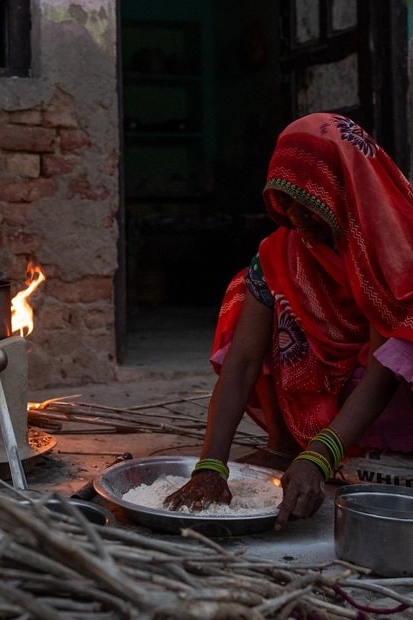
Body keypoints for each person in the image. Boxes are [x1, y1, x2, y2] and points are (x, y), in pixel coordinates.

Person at [163, 112, 413, 530]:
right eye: (286, 197)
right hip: (333, 389)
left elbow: (385, 368)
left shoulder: (395, 244)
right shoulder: (285, 252)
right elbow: (242, 362)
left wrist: (320, 455)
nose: (294, 214)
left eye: (307, 197)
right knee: (251, 293)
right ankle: (282, 445)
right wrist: (210, 464)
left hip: (391, 396)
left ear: (344, 186)